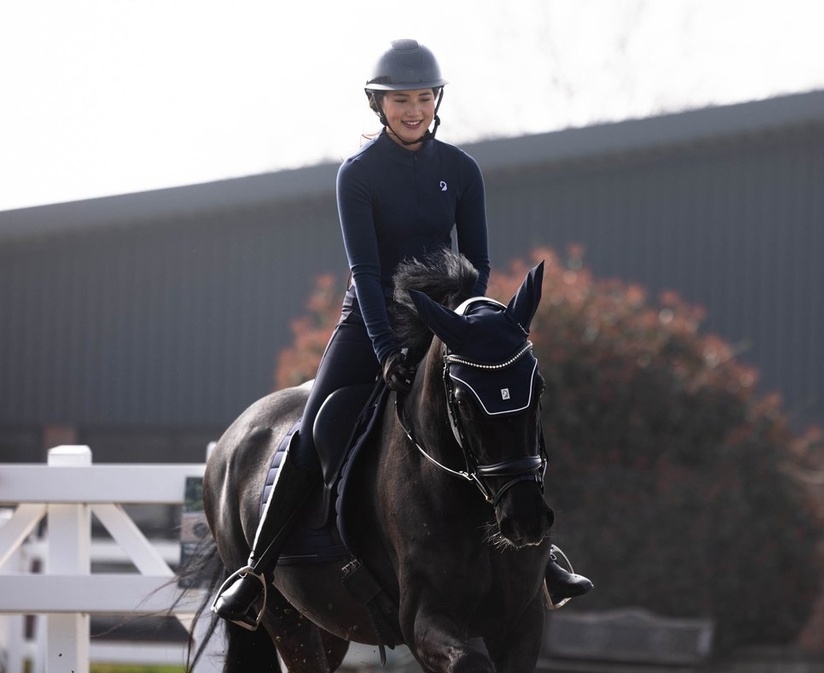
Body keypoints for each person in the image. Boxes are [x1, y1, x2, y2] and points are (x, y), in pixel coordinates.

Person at [211, 39, 592, 629]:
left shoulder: (461, 170)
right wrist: (387, 348)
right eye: (399, 100)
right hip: (372, 322)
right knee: (317, 426)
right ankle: (256, 570)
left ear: (437, 101)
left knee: (504, 409)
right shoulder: (358, 175)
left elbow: (480, 263)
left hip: (448, 321)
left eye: (422, 98)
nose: (412, 109)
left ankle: (544, 557)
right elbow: (364, 271)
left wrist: (464, 327)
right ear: (378, 105)